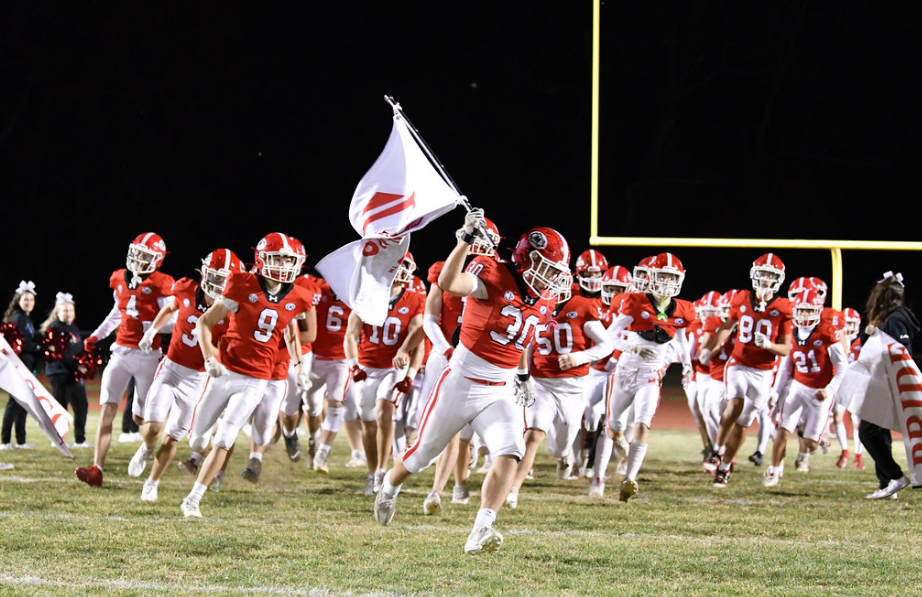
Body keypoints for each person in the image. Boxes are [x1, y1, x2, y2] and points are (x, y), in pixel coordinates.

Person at [373, 210, 568, 556]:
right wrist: (465, 239)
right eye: (548, 268)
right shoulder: (492, 273)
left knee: (510, 450)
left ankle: (481, 528)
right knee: (422, 454)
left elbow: (520, 340)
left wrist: (523, 377)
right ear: (527, 259)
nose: (552, 278)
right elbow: (450, 282)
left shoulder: (546, 297)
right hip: (462, 380)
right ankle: (389, 486)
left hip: (500, 388)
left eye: (556, 271)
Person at [180, 232, 314, 517]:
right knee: (197, 438)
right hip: (225, 371)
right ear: (262, 258)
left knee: (226, 436)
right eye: (278, 257)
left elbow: (292, 332)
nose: (283, 264)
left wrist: (299, 366)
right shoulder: (242, 284)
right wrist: (209, 358)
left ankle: (193, 499)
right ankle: (198, 448)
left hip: (257, 378)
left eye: (289, 259)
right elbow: (205, 321)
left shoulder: (300, 295)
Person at [128, 249, 245, 501]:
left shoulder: (232, 312)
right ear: (204, 273)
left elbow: (223, 351)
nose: (217, 284)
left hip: (199, 379)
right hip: (171, 367)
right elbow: (170, 307)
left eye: (224, 279)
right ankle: (146, 448)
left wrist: (212, 356)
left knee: (172, 439)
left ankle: (152, 483)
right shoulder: (184, 287)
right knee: (153, 428)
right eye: (215, 277)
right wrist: (152, 332)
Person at [506, 249, 612, 509]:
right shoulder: (535, 306)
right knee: (533, 435)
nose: (553, 287)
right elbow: (526, 345)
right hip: (542, 383)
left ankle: (565, 456)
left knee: (562, 445)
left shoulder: (583, 306)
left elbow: (606, 345)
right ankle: (512, 489)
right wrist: (524, 375)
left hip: (573, 388)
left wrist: (579, 357)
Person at [75, 233, 174, 487]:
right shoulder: (119, 277)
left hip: (148, 356)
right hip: (120, 352)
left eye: (145, 255)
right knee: (108, 407)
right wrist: (97, 335)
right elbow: (116, 313)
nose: (139, 258)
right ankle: (97, 469)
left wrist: (149, 327)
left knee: (142, 417)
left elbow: (174, 320)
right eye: (137, 252)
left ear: (157, 260)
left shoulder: (162, 283)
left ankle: (147, 449)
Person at [420, 218, 501, 515]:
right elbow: (429, 318)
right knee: (433, 425)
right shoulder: (445, 268)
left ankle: (442, 489)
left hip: (478, 359)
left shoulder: (500, 275)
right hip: (446, 353)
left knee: (462, 430)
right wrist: (446, 348)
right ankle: (429, 485)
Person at [603, 252, 695, 502]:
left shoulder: (684, 310)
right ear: (651, 277)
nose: (666, 282)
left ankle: (629, 478)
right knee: (614, 428)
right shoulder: (634, 302)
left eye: (670, 277)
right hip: (624, 371)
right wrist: (632, 347)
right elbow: (610, 335)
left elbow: (682, 339)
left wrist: (687, 364)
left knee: (642, 423)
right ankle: (619, 453)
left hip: (650, 374)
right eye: (661, 276)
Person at [702, 253, 793, 488]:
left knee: (744, 423)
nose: (765, 278)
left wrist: (769, 345)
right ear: (754, 274)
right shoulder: (740, 298)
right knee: (735, 403)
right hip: (738, 364)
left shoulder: (783, 307)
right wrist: (712, 347)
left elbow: (786, 348)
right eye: (762, 273)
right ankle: (717, 449)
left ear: (778, 278)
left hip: (763, 372)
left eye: (770, 275)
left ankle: (724, 468)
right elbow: (727, 326)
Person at [344, 252, 425, 496]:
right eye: (397, 264)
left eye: (405, 266)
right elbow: (350, 333)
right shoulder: (367, 296)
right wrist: (353, 364)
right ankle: (372, 473)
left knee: (384, 412)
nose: (401, 270)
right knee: (367, 422)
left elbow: (419, 337)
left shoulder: (414, 299)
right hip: (367, 367)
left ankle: (381, 470)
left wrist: (409, 371)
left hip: (394, 367)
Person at [762, 289, 848, 487]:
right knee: (782, 431)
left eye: (809, 311)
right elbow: (785, 368)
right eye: (801, 310)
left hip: (820, 393)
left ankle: (816, 437)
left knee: (811, 443)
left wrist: (830, 389)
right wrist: (775, 393)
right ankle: (774, 471)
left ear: (817, 311)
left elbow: (842, 366)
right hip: (798, 387)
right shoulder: (790, 331)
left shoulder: (826, 331)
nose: (805, 315)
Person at [859, 272, 919, 499]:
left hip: (892, 386)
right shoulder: (891, 318)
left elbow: (897, 354)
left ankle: (893, 477)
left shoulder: (896, 319)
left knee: (868, 432)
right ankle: (888, 481)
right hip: (887, 385)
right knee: (877, 431)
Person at [40, 292, 90, 448]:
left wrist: (85, 362)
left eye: (70, 310)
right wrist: (77, 366)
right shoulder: (53, 328)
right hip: (59, 373)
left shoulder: (73, 328)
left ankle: (80, 440)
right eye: (65, 310)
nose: (68, 313)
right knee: (61, 407)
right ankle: (57, 439)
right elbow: (60, 354)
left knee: (82, 405)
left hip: (72, 373)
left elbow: (76, 350)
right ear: (58, 312)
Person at [2, 281, 41, 450]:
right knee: (14, 402)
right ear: (18, 300)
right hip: (19, 366)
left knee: (23, 402)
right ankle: (4, 441)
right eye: (25, 300)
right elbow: (21, 345)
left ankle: (21, 440)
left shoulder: (25, 318)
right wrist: (40, 347)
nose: (29, 303)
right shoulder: (17, 318)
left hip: (26, 365)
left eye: (31, 300)